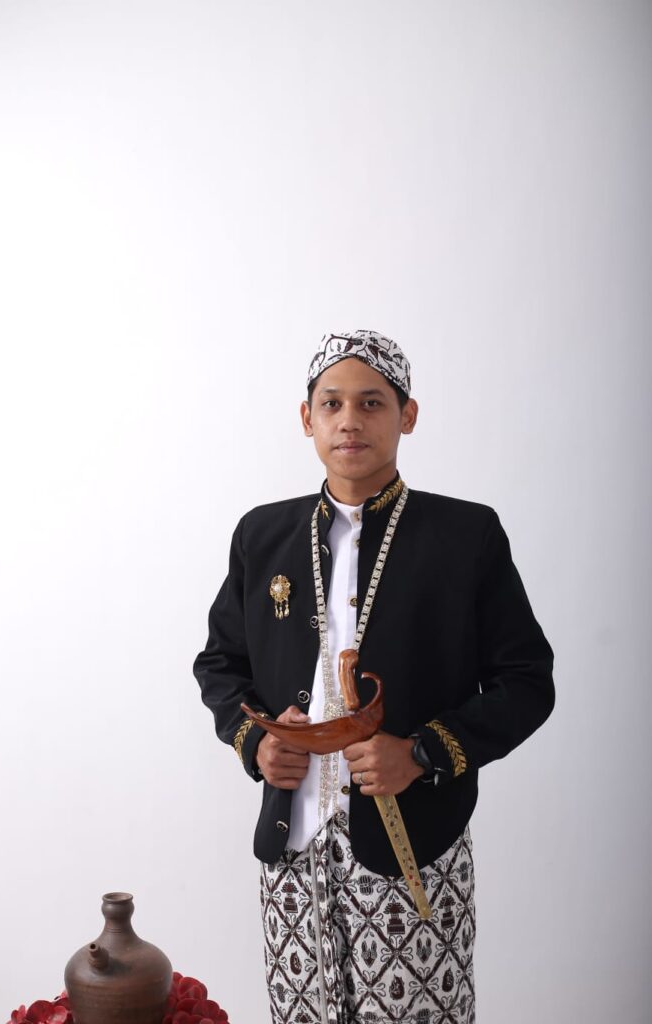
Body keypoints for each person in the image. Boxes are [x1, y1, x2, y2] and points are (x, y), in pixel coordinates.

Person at [194, 330, 554, 1024]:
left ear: (406, 415)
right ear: (307, 419)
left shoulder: (465, 536)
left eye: (371, 402)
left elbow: (526, 681)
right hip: (293, 846)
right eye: (331, 404)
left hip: (414, 840)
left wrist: (421, 753)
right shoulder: (262, 535)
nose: (349, 420)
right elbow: (219, 663)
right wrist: (255, 742)